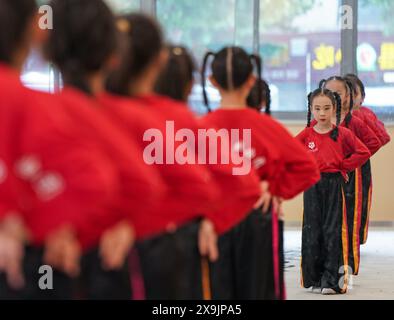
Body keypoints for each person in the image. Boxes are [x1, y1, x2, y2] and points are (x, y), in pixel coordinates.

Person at [44, 0, 168, 299]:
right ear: (114, 56)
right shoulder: (128, 118)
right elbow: (145, 185)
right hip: (105, 260)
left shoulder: (31, 109)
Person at [200, 46, 320, 299]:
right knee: (260, 289)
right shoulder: (267, 127)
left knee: (218, 291)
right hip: (257, 218)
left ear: (212, 81)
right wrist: (273, 188)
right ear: (251, 81)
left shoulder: (199, 128)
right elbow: (308, 168)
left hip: (214, 219)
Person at [297, 88, 370, 295]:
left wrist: (344, 166)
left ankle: (333, 281)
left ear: (334, 109)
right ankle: (314, 277)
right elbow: (290, 151)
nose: (322, 113)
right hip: (312, 186)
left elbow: (362, 152)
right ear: (311, 109)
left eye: (326, 108)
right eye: (317, 108)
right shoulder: (307, 134)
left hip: (334, 185)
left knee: (333, 231)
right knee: (312, 230)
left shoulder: (343, 134)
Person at [319, 76, 381, 275]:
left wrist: (348, 163)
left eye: (338, 93)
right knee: (325, 220)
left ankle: (348, 264)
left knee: (350, 220)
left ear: (348, 96)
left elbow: (374, 143)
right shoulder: (318, 121)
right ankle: (324, 264)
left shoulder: (354, 121)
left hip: (351, 179)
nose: (334, 97)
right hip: (324, 180)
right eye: (329, 92)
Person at [344, 74, 391, 244]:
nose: (348, 98)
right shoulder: (336, 115)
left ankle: (356, 237)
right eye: (344, 93)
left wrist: (360, 153)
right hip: (339, 166)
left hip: (358, 167)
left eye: (353, 94)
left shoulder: (363, 114)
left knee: (359, 201)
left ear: (361, 97)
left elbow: (382, 138)